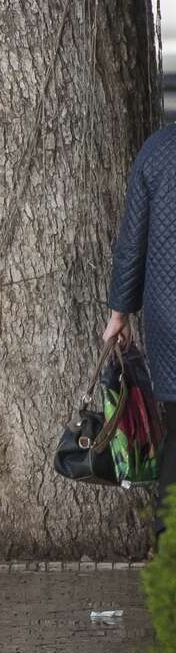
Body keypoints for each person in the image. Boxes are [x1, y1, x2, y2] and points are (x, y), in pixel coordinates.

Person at [105, 123, 176, 512]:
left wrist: (120, 311)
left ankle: (169, 550)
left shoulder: (156, 149)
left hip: (168, 316)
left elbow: (132, 242)